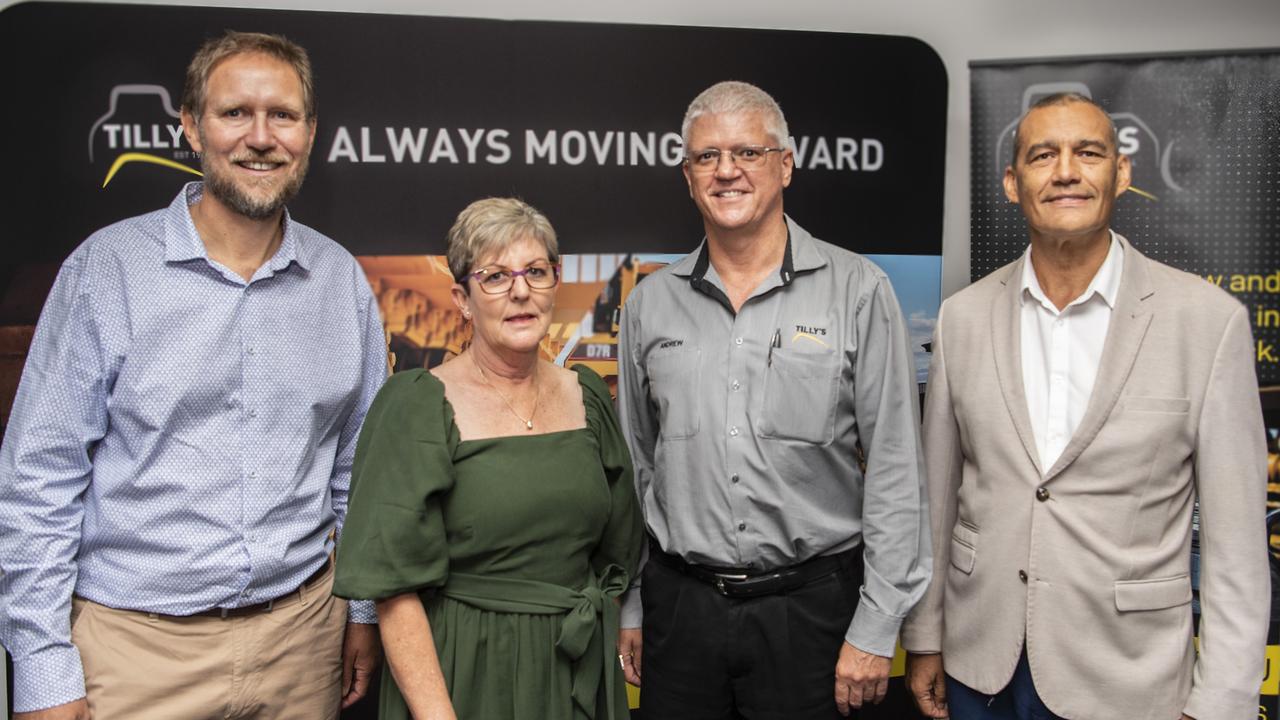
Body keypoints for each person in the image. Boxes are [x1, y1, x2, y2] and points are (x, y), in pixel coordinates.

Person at [0, 31, 386, 720]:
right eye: (235, 113)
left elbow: (361, 473)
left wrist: (361, 612)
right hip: (135, 654)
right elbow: (37, 482)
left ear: (311, 132)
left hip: (301, 646)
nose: (261, 137)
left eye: (283, 116)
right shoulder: (107, 271)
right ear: (189, 126)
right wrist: (41, 672)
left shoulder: (342, 283)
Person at [902, 92, 1268, 720]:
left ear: (1120, 174)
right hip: (979, 665)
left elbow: (1237, 543)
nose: (1066, 171)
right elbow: (938, 495)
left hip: (1127, 678)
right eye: (1043, 156)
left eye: (1088, 153)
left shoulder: (1208, 323)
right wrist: (926, 637)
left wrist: (1224, 700)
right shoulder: (962, 318)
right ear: (1014, 185)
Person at [616, 80, 930, 719]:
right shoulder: (649, 305)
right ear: (688, 175)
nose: (726, 170)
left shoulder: (859, 290)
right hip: (681, 615)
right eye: (706, 156)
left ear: (785, 164)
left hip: (813, 616)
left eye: (747, 153)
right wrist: (634, 604)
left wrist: (877, 628)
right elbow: (634, 470)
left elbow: (897, 472)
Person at [332, 197, 643, 720]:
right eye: (495, 276)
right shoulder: (416, 405)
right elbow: (394, 590)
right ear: (462, 298)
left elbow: (615, 552)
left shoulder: (589, 396)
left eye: (535, 271)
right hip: (464, 674)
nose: (520, 291)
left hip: (575, 672)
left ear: (555, 281)